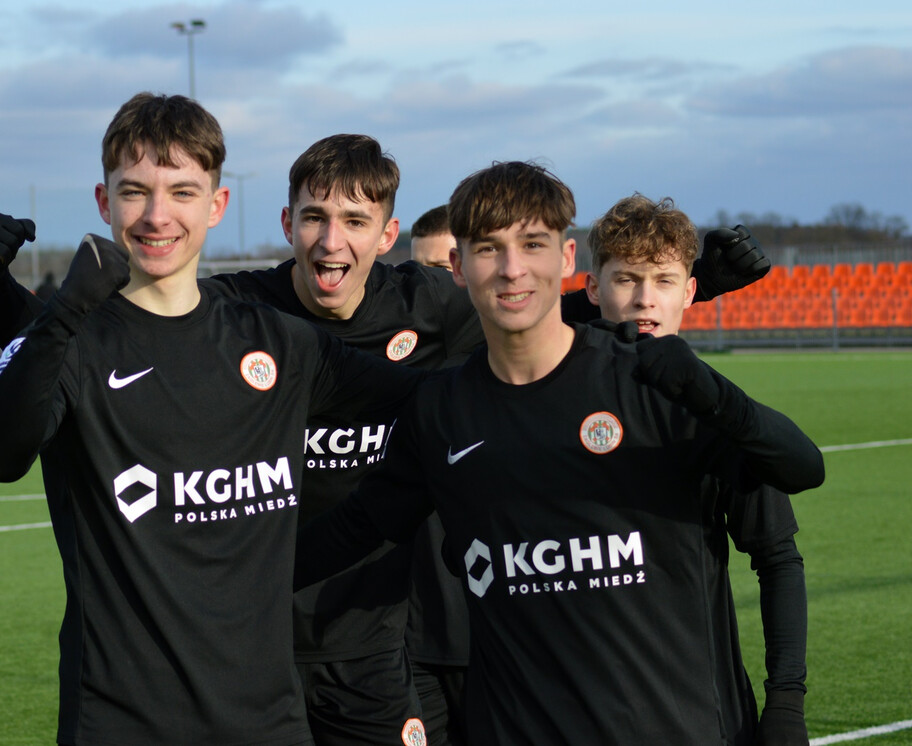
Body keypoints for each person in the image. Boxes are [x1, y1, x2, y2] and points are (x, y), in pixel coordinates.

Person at [0, 134, 772, 746]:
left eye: (353, 221)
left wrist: (662, 306)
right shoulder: (244, 314)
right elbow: (81, 355)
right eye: (313, 218)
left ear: (386, 236)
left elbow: (528, 326)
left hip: (377, 639)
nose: (330, 241)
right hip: (250, 646)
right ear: (286, 224)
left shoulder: (433, 306)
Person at [294, 161, 824, 745]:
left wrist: (716, 394)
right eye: (489, 249)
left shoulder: (655, 383)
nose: (513, 268)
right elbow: (347, 534)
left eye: (533, 244)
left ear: (566, 259)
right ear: (458, 267)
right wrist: (200, 571)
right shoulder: (442, 411)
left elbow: (802, 468)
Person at [0, 94, 428, 745]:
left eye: (182, 191)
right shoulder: (76, 341)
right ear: (104, 203)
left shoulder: (278, 342)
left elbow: (428, 397)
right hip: (122, 724)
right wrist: (64, 310)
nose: (158, 216)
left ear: (216, 204)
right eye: (135, 192)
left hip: (268, 724)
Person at [585, 194, 809, 745]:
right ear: (592, 289)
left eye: (663, 280)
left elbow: (777, 557)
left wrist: (786, 702)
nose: (644, 299)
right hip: (565, 713)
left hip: (698, 714)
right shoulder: (539, 400)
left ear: (691, 291)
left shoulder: (714, 411)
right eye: (625, 280)